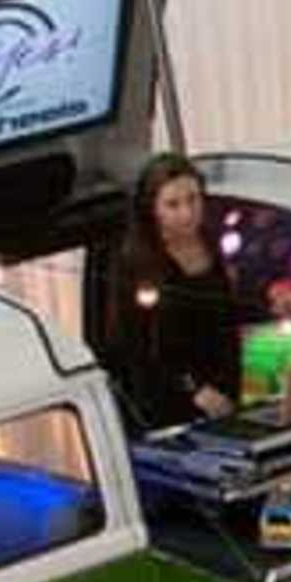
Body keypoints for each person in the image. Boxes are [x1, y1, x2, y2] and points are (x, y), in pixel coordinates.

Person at [102, 154, 249, 431]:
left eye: (193, 199)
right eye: (173, 205)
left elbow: (223, 311)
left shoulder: (209, 241)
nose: (187, 212)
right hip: (171, 404)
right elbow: (137, 348)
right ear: (152, 209)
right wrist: (194, 390)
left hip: (224, 382)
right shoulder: (135, 264)